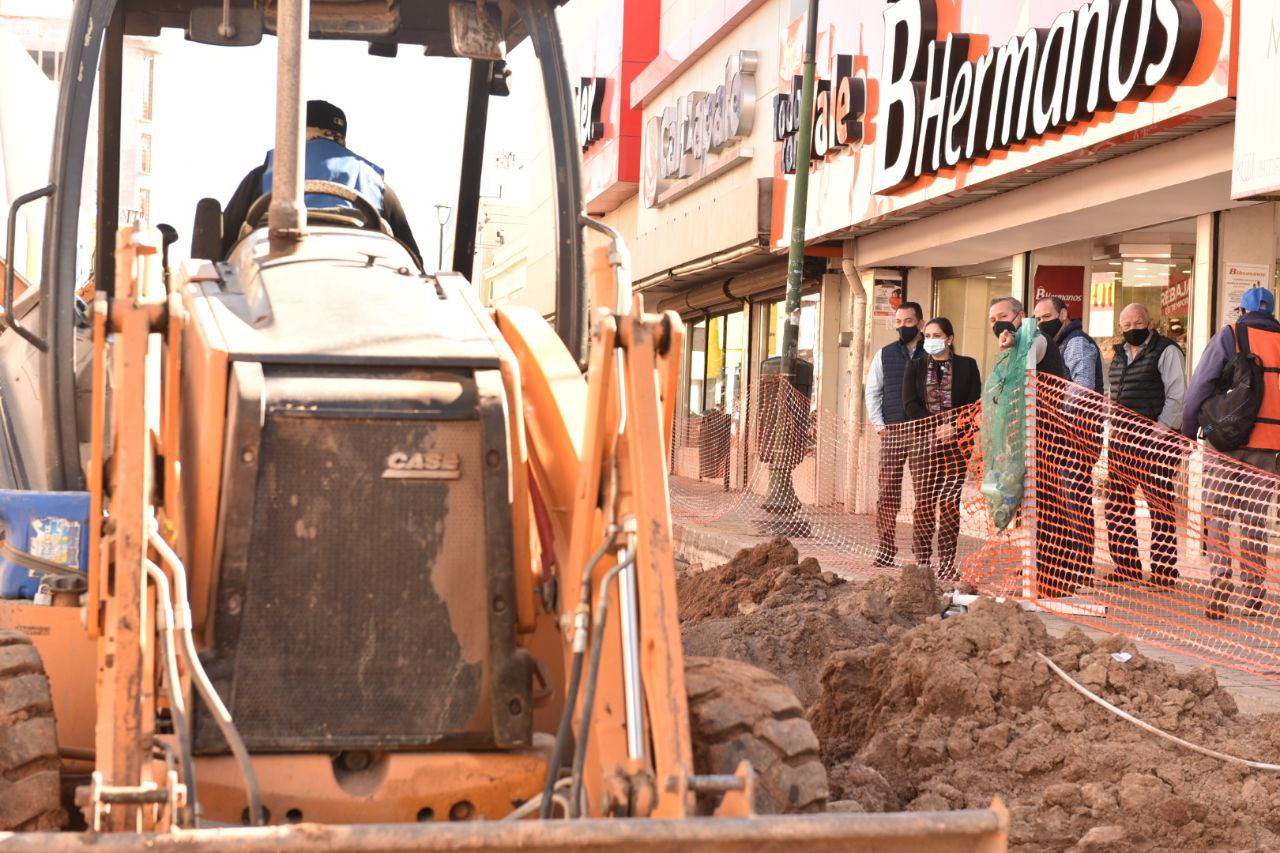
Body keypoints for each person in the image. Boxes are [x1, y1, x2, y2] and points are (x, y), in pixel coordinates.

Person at [220, 100, 423, 267]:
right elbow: (412, 259)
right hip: (356, 273)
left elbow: (224, 244)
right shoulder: (376, 184)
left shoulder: (263, 176)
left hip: (273, 272)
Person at [1183, 287, 1280, 618]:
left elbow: (1201, 385)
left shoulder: (1231, 335)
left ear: (1242, 311)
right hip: (1269, 445)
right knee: (1254, 520)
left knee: (1219, 514)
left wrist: (1189, 429)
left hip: (1224, 441)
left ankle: (1221, 578)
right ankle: (1254, 591)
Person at [1104, 303, 1186, 587]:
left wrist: (1158, 432)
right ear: (1120, 327)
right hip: (1122, 442)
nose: (1132, 329)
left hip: (1157, 443)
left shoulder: (1167, 350)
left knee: (1159, 507)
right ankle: (1126, 567)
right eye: (1126, 325)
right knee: (1117, 504)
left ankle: (1163, 573)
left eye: (1138, 323)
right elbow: (1113, 395)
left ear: (1151, 323)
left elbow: (1177, 396)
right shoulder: (1118, 355)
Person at [1032, 296, 1105, 590]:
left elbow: (1082, 388)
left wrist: (1053, 409)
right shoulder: (1052, 344)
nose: (1041, 323)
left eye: (1046, 317)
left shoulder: (1075, 343)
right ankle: (1062, 563)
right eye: (1037, 319)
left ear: (1063, 314)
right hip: (1059, 435)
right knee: (1059, 503)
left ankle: (1080, 567)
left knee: (1074, 501)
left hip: (1075, 435)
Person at [903, 318, 982, 580]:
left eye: (936, 335)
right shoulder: (914, 366)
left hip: (957, 444)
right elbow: (910, 404)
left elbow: (973, 404)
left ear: (949, 338)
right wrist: (938, 426)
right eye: (927, 335)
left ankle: (947, 562)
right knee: (924, 502)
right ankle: (922, 562)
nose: (931, 340)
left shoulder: (968, 366)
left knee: (949, 502)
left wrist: (954, 428)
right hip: (923, 443)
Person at [866, 302, 927, 567]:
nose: (903, 326)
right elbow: (873, 391)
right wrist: (880, 426)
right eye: (899, 322)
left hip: (924, 433)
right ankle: (886, 549)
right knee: (888, 492)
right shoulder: (884, 354)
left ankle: (922, 553)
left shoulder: (935, 351)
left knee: (925, 494)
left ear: (921, 323)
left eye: (908, 321)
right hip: (893, 432)